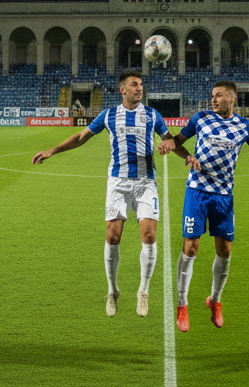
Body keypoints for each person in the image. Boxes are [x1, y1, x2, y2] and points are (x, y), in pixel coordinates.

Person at [33, 69, 197, 318]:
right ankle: (112, 291)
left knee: (150, 236)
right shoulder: (109, 115)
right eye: (134, 85)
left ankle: (143, 291)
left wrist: (187, 156)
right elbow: (81, 137)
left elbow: (171, 141)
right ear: (123, 90)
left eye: (141, 84)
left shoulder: (152, 115)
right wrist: (51, 151)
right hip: (118, 182)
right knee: (112, 237)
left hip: (145, 182)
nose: (139, 88)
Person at [160, 80, 249, 332]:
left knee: (224, 251)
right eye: (212, 95)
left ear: (232, 99)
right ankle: (182, 304)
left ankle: (215, 301)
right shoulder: (201, 118)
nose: (213, 99)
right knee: (190, 247)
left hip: (224, 196)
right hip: (197, 191)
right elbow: (178, 141)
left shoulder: (244, 126)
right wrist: (173, 147)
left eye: (219, 95)